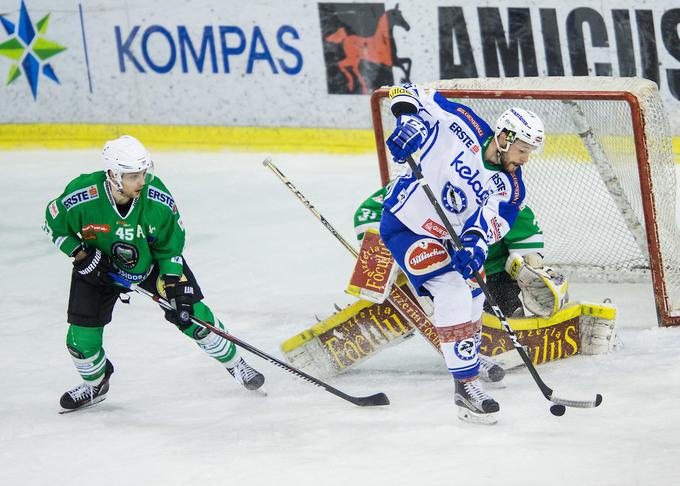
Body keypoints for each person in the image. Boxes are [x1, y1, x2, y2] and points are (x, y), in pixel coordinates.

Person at [43, 135, 264, 412]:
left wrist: (173, 283)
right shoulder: (81, 195)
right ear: (113, 174)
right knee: (80, 341)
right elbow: (53, 224)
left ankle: (236, 364)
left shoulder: (157, 199)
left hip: (151, 265)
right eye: (134, 175)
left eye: (144, 173)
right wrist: (82, 255)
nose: (142, 181)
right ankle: (95, 384)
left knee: (193, 315)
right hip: (98, 269)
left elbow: (171, 246)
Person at [378, 83, 545, 424]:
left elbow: (493, 224)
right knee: (452, 290)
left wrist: (474, 244)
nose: (525, 159)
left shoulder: (511, 186)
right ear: (505, 138)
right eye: (523, 150)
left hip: (452, 239)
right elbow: (405, 89)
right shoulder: (462, 121)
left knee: (472, 290)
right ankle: (464, 385)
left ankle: (468, 355)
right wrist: (408, 121)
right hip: (407, 224)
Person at [354, 188, 545, 382]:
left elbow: (520, 221)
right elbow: (368, 213)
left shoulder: (491, 186)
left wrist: (529, 261)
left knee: (502, 316)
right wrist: (393, 249)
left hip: (491, 271)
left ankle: (478, 342)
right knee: (444, 290)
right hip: (435, 266)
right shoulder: (421, 180)